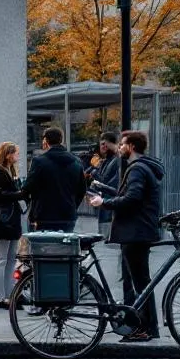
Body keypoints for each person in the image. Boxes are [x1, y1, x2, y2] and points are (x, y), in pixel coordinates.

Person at [88, 130, 163, 342]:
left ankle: (144, 328)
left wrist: (104, 203)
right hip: (139, 231)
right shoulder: (144, 167)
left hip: (135, 232)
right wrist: (109, 194)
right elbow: (130, 196)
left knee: (140, 283)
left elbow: (132, 199)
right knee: (142, 282)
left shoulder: (137, 169)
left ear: (130, 147)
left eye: (122, 145)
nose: (119, 148)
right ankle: (149, 328)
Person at [0, 141, 27, 309]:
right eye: (15, 153)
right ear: (8, 155)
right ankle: (0, 296)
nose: (18, 156)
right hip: (4, 217)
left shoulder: (7, 170)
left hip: (9, 216)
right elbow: (4, 194)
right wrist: (21, 193)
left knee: (10, 258)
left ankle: (8, 294)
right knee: (3, 258)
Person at [23, 127, 86, 233]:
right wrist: (72, 205)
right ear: (61, 140)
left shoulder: (39, 161)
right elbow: (82, 189)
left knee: (44, 247)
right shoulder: (76, 161)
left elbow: (28, 187)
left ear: (46, 141)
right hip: (67, 214)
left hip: (44, 215)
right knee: (65, 246)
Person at [86, 132, 121, 237]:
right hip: (106, 206)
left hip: (109, 207)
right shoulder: (106, 161)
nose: (103, 147)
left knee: (106, 240)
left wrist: (97, 182)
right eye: (102, 144)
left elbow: (110, 184)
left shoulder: (116, 161)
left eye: (105, 144)